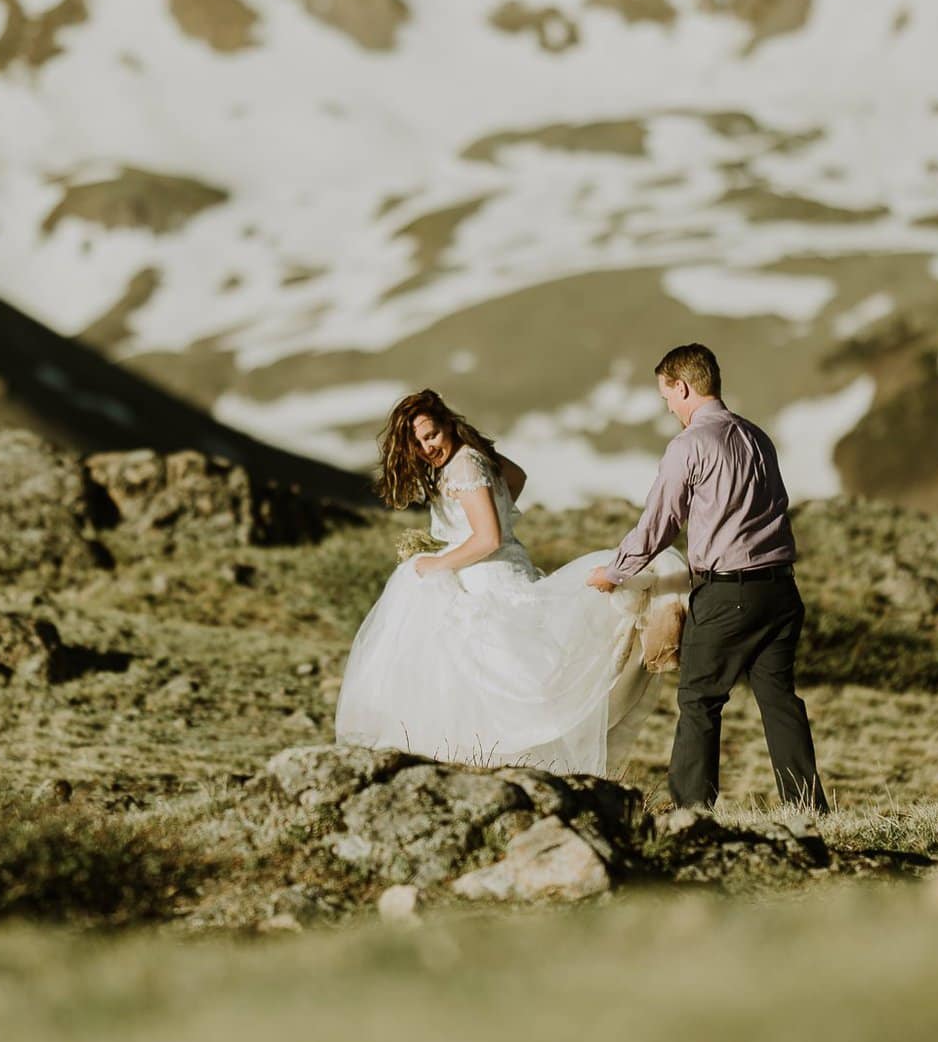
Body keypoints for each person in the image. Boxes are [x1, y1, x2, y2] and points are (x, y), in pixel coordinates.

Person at [335, 390, 688, 776]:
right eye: (417, 442)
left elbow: (488, 539)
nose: (425, 448)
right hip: (499, 569)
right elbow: (516, 478)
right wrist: (491, 510)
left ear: (447, 423)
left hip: (488, 578)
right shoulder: (474, 456)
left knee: (498, 679)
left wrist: (439, 561)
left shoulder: (465, 466)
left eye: (431, 435)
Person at [588, 344, 829, 811]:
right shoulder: (758, 437)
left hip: (727, 594)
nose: (670, 409)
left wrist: (614, 573)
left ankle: (692, 812)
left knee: (699, 702)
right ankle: (806, 807)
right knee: (780, 702)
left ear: (682, 386)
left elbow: (659, 524)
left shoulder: (690, 445)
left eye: (667, 398)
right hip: (780, 590)